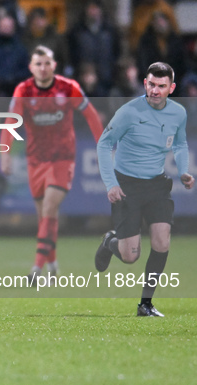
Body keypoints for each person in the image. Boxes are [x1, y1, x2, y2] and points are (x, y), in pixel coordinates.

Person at [94, 62, 194, 317]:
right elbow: (104, 145)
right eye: (151, 84)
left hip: (157, 184)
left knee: (162, 240)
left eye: (161, 86)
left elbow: (180, 144)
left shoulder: (178, 113)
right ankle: (110, 242)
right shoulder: (128, 112)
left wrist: (183, 170)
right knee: (130, 256)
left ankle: (145, 305)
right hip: (127, 185)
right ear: (145, 83)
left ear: (171, 88)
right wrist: (111, 184)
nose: (155, 90)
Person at [0, 45, 104, 283]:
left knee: (48, 208)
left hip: (62, 158)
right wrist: (5, 154)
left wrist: (101, 146)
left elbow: (91, 115)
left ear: (54, 65)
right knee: (46, 216)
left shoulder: (68, 88)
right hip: (36, 159)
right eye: (38, 64)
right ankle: (53, 264)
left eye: (47, 63)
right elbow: (10, 122)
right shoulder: (23, 90)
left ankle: (36, 269)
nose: (43, 68)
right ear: (31, 67)